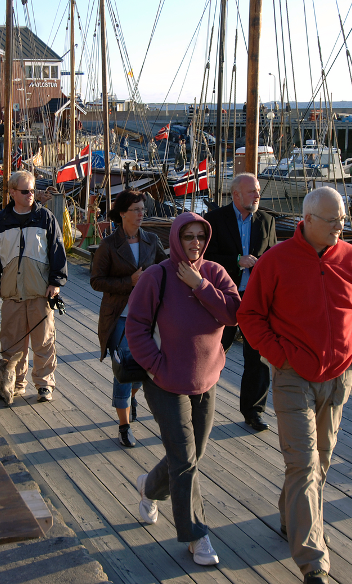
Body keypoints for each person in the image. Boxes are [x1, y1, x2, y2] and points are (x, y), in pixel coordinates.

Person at [238, 187, 352, 584]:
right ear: (308, 220)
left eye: (343, 219)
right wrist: (278, 356)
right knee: (303, 463)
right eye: (333, 220)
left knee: (322, 460)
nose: (341, 226)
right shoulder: (276, 261)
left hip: (338, 378)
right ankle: (314, 562)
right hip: (294, 377)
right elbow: (249, 315)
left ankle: (291, 518)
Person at [126, 212, 240, 567]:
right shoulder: (156, 277)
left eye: (199, 237)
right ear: (176, 239)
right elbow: (136, 327)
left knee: (192, 454)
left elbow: (234, 313)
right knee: (185, 460)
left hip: (206, 380)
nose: (194, 243)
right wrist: (157, 366)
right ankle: (196, 535)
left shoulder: (215, 273)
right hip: (165, 382)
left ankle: (149, 487)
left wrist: (200, 285)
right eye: (187, 237)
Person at [90, 189, 168, 448]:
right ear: (122, 213)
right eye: (136, 210)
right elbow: (96, 281)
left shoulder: (151, 240)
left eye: (143, 209)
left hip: (148, 317)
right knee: (124, 371)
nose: (141, 214)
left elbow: (165, 269)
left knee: (141, 371)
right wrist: (129, 281)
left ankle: (130, 397)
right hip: (120, 318)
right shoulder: (109, 245)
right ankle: (124, 426)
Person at [0, 170, 68, 402]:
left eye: (33, 190)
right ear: (12, 193)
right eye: (25, 191)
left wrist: (56, 283)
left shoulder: (46, 218)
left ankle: (44, 385)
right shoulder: (2, 220)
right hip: (11, 292)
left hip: (40, 291)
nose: (31, 195)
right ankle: (15, 384)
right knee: (12, 343)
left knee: (44, 341)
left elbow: (57, 252)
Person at [204, 173, 277, 430]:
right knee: (214, 350)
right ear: (236, 195)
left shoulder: (267, 221)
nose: (257, 195)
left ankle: (253, 411)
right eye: (252, 192)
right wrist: (237, 260)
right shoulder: (214, 220)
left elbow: (274, 259)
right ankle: (199, 398)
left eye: (257, 191)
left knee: (257, 357)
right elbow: (206, 258)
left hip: (255, 299)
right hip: (225, 296)